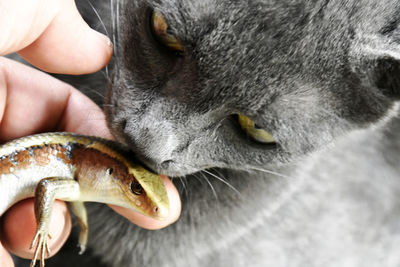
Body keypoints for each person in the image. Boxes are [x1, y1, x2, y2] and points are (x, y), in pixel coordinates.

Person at [0, 1, 181, 266]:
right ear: (109, 171)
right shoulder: (72, 170)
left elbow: (71, 191)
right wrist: (42, 226)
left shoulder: (77, 179)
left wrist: (81, 220)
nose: (151, 206)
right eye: (135, 188)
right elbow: (48, 186)